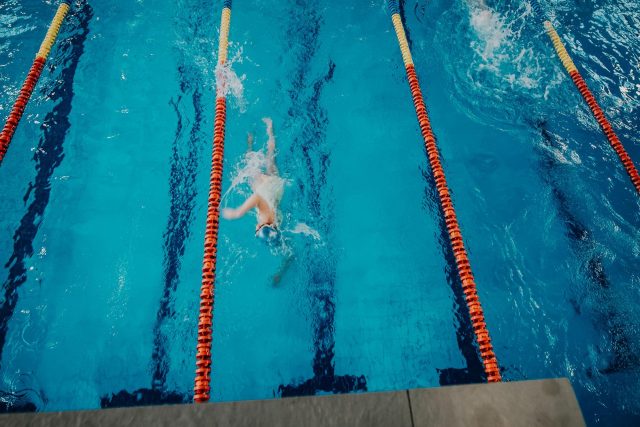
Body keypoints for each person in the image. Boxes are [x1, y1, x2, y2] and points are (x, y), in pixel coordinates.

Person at [222, 118, 292, 283]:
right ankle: (250, 140)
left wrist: (280, 274)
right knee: (250, 164)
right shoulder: (264, 215)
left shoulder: (278, 227)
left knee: (270, 157)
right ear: (259, 227)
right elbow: (258, 198)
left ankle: (270, 129)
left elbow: (290, 256)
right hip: (264, 186)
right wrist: (236, 213)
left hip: (276, 186)